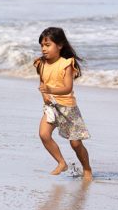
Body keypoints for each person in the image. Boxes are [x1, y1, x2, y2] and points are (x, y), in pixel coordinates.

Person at [34, 27, 92, 181]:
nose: (44, 49)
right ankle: (61, 163)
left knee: (75, 144)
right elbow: (42, 84)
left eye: (48, 45)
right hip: (51, 108)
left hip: (68, 108)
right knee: (44, 134)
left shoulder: (66, 64)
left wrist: (50, 90)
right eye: (42, 45)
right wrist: (45, 95)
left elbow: (67, 88)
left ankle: (87, 169)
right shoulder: (41, 63)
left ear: (59, 45)